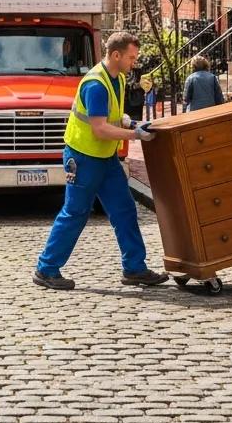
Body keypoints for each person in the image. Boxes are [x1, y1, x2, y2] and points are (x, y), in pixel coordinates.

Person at [34, 31, 168, 291]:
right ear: (115, 55)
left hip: (105, 158)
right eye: (131, 58)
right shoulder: (96, 84)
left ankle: (134, 268)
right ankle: (46, 269)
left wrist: (130, 121)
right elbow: (99, 129)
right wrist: (135, 135)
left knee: (125, 210)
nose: (134, 63)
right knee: (75, 212)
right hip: (83, 158)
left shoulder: (115, 78)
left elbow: (111, 116)